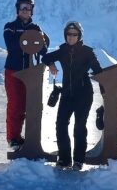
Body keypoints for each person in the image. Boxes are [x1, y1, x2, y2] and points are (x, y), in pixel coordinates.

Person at [42, 22, 102, 171]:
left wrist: (107, 87)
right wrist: (51, 64)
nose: (71, 37)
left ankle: (79, 161)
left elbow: (99, 71)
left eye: (74, 34)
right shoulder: (62, 50)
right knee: (61, 125)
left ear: (79, 36)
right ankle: (64, 159)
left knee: (79, 127)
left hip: (84, 94)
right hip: (67, 94)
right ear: (65, 35)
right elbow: (45, 57)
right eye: (69, 34)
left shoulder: (88, 52)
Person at [3, 0, 47, 150]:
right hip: (13, 71)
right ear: (18, 9)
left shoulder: (36, 28)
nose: (26, 10)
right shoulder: (10, 26)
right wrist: (30, 38)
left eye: (29, 8)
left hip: (30, 72)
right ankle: (13, 138)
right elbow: (13, 46)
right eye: (23, 7)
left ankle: (28, 137)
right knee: (16, 105)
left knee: (30, 105)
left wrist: (36, 38)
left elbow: (43, 48)